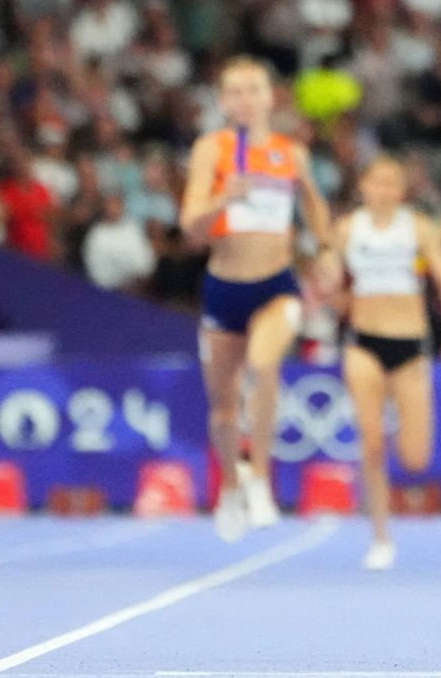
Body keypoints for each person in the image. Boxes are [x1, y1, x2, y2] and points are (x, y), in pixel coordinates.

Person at [180, 56, 340, 542]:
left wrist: (328, 249)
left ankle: (260, 478)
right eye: (235, 92)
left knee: (265, 362)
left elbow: (314, 206)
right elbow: (190, 228)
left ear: (271, 97)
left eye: (254, 89)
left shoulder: (292, 154)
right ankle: (229, 486)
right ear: (224, 102)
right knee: (224, 408)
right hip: (224, 287)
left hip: (276, 285)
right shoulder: (212, 149)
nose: (245, 99)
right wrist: (222, 199)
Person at [336, 155, 441, 570]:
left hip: (409, 346)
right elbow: (330, 281)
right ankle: (380, 535)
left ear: (402, 190)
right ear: (364, 186)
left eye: (393, 183)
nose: (384, 191)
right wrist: (326, 290)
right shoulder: (348, 229)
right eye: (378, 182)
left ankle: (388, 472)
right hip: (363, 342)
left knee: (415, 457)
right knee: (371, 443)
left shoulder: (419, 228)